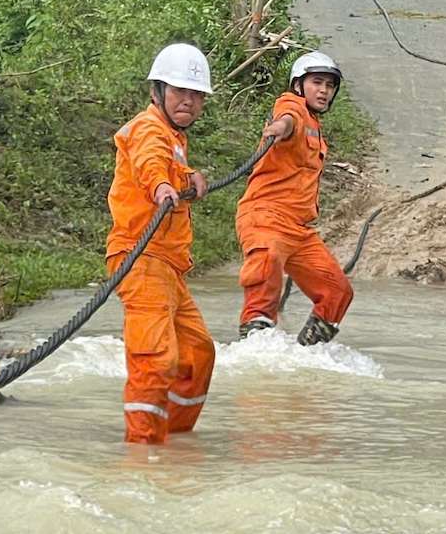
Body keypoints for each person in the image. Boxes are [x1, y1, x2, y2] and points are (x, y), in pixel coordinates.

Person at [105, 43, 216, 445]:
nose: (187, 101)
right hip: (140, 257)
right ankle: (144, 452)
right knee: (157, 357)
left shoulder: (174, 137)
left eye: (195, 94)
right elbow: (150, 163)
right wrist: (164, 186)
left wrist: (189, 178)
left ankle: (175, 439)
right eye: (178, 92)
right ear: (158, 92)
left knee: (197, 354)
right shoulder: (148, 128)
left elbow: (167, 164)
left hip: (168, 265)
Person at [235, 51, 353, 345]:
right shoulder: (292, 106)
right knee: (267, 261)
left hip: (299, 230)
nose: (324, 91)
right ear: (299, 85)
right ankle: (254, 348)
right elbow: (287, 118)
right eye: (317, 83)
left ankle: (305, 356)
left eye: (329, 85)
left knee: (337, 292)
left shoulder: (317, 128)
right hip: (265, 216)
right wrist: (279, 127)